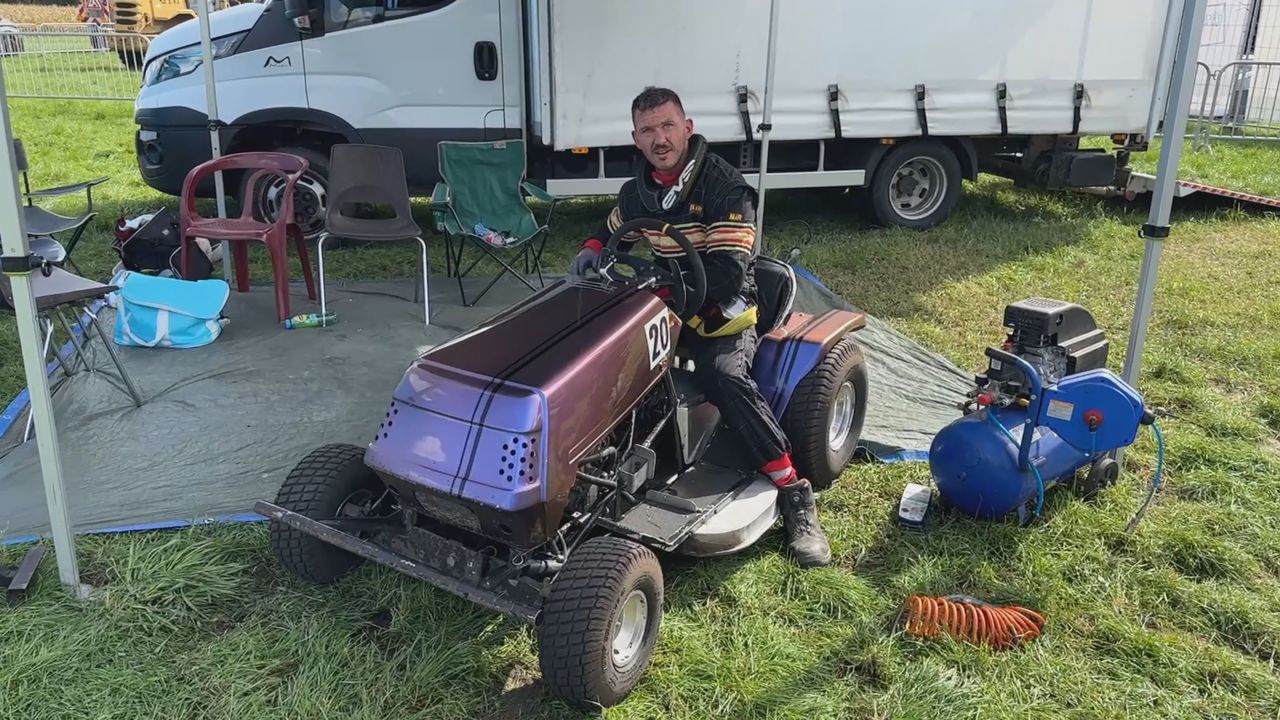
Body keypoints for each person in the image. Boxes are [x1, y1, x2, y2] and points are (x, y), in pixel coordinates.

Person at [569, 86, 832, 567]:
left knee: (723, 375)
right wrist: (592, 250)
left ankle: (793, 490)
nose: (660, 139)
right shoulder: (637, 191)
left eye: (668, 126)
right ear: (636, 138)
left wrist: (663, 290)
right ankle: (600, 468)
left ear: (687, 129)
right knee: (606, 355)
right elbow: (611, 231)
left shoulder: (724, 186)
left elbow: (729, 273)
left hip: (723, 309)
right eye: (648, 130)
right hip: (668, 299)